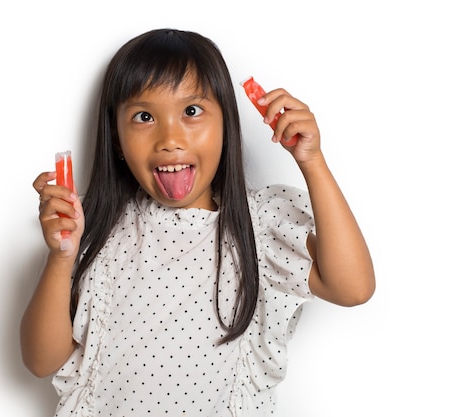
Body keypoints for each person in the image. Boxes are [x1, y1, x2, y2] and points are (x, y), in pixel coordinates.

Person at [20, 28, 375, 416]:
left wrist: (311, 160)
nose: (169, 138)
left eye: (191, 111)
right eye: (143, 116)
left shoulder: (260, 225)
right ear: (117, 140)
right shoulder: (94, 227)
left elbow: (353, 288)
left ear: (227, 124)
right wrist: (61, 257)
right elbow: (41, 362)